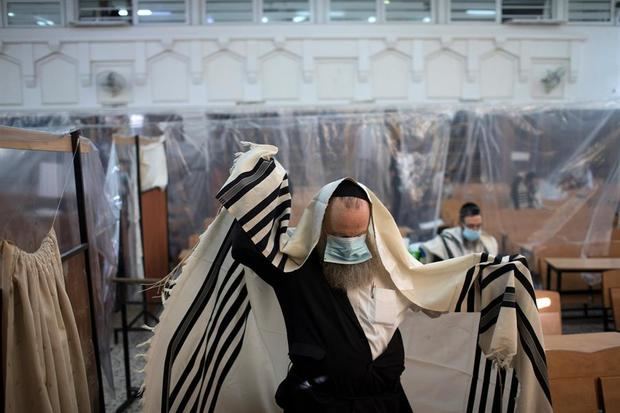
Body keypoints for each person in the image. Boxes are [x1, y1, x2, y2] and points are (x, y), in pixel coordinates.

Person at [231, 180, 413, 413]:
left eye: (357, 234)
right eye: (340, 235)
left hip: (387, 402)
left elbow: (436, 286)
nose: (349, 246)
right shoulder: (295, 265)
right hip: (321, 403)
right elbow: (245, 245)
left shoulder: (387, 263)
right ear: (321, 225)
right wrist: (268, 182)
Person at [420, 202, 498, 262]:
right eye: (471, 226)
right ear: (461, 224)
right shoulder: (447, 239)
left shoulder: (488, 241)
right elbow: (426, 250)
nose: (475, 229)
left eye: (478, 226)